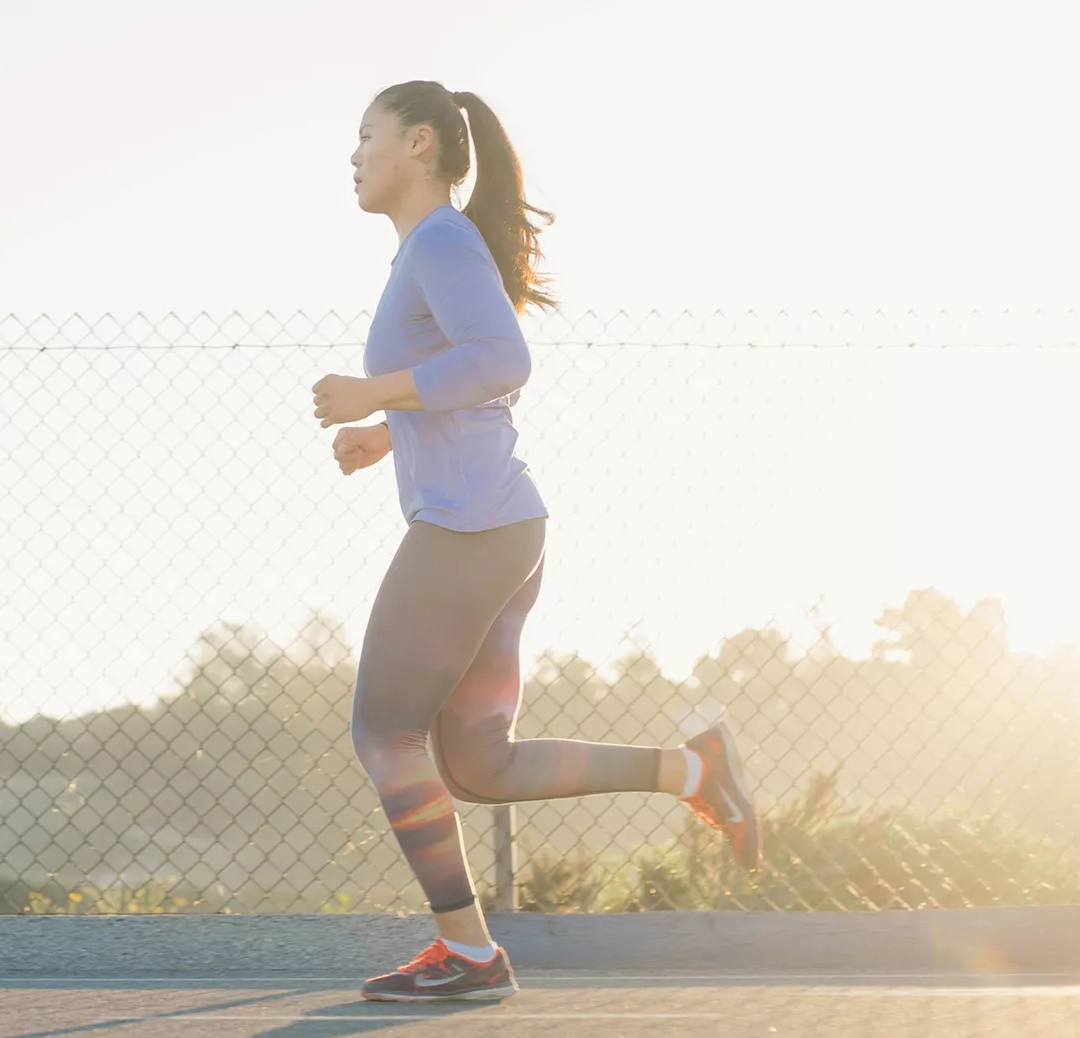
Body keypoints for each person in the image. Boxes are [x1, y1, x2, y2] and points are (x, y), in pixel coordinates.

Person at [310, 80, 762, 1003]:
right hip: (502, 527)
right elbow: (475, 383)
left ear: (421, 144)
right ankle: (695, 769)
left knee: (385, 732)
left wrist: (375, 393)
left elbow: (503, 360)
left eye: (367, 136)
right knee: (478, 764)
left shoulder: (438, 240)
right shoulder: (430, 249)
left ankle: (470, 955)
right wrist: (389, 431)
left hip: (471, 531)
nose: (353, 155)